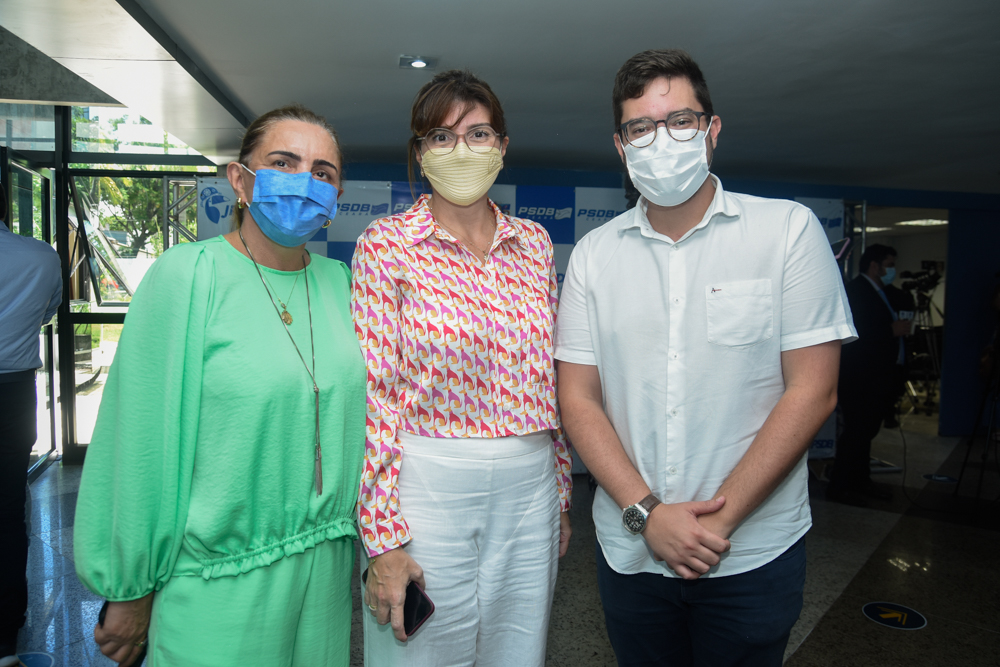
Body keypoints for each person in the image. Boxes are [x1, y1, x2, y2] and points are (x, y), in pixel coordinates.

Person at [555, 49, 856, 666]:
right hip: (632, 552)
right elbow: (578, 398)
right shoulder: (593, 256)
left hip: (752, 551)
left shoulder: (787, 231)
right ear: (621, 146)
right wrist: (647, 515)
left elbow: (813, 390)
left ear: (712, 130)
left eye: (680, 121)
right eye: (641, 127)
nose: (661, 140)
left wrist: (716, 525)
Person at [73, 105, 366, 667]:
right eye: (284, 162)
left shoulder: (342, 283)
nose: (304, 181)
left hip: (326, 568)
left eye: (322, 172)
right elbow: (142, 443)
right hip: (217, 578)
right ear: (240, 179)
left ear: (335, 197)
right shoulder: (188, 275)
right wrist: (131, 587)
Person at [354, 69, 573, 667]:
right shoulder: (386, 245)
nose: (461, 150)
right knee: (419, 654)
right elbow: (375, 394)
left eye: (478, 134)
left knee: (518, 652)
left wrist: (560, 492)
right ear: (419, 152)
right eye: (441, 136)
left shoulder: (534, 245)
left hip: (530, 486)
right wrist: (382, 534)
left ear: (502, 146)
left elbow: (547, 379)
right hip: (428, 485)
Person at [0, 186, 62, 667]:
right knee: (7, 510)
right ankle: (8, 619)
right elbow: (47, 312)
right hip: (13, 394)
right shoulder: (40, 257)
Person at [828, 244, 911, 506]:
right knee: (856, 432)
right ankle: (841, 485)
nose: (892, 270)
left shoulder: (882, 292)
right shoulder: (856, 291)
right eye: (889, 265)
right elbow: (854, 334)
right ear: (875, 266)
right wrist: (890, 331)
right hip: (860, 378)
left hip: (879, 375)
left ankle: (860, 480)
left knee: (865, 432)